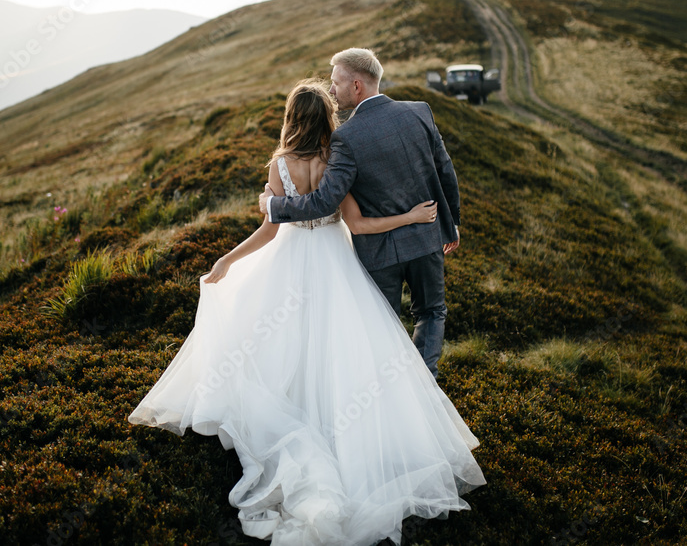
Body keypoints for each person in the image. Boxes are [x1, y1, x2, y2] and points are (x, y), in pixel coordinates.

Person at [128, 78, 485, 546]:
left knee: (275, 343)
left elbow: (270, 232)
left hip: (290, 263)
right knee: (349, 348)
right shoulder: (338, 160)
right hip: (337, 264)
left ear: (291, 119)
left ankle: (295, 414)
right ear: (327, 121)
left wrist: (226, 260)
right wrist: (412, 218)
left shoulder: (280, 166)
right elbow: (356, 224)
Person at [260, 48, 460, 379]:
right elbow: (445, 169)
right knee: (432, 311)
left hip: (379, 251)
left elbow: (324, 201)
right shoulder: (420, 112)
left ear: (356, 86)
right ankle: (426, 382)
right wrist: (452, 225)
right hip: (426, 237)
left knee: (382, 324)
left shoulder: (345, 138)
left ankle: (391, 392)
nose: (332, 92)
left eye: (336, 83)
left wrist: (273, 205)